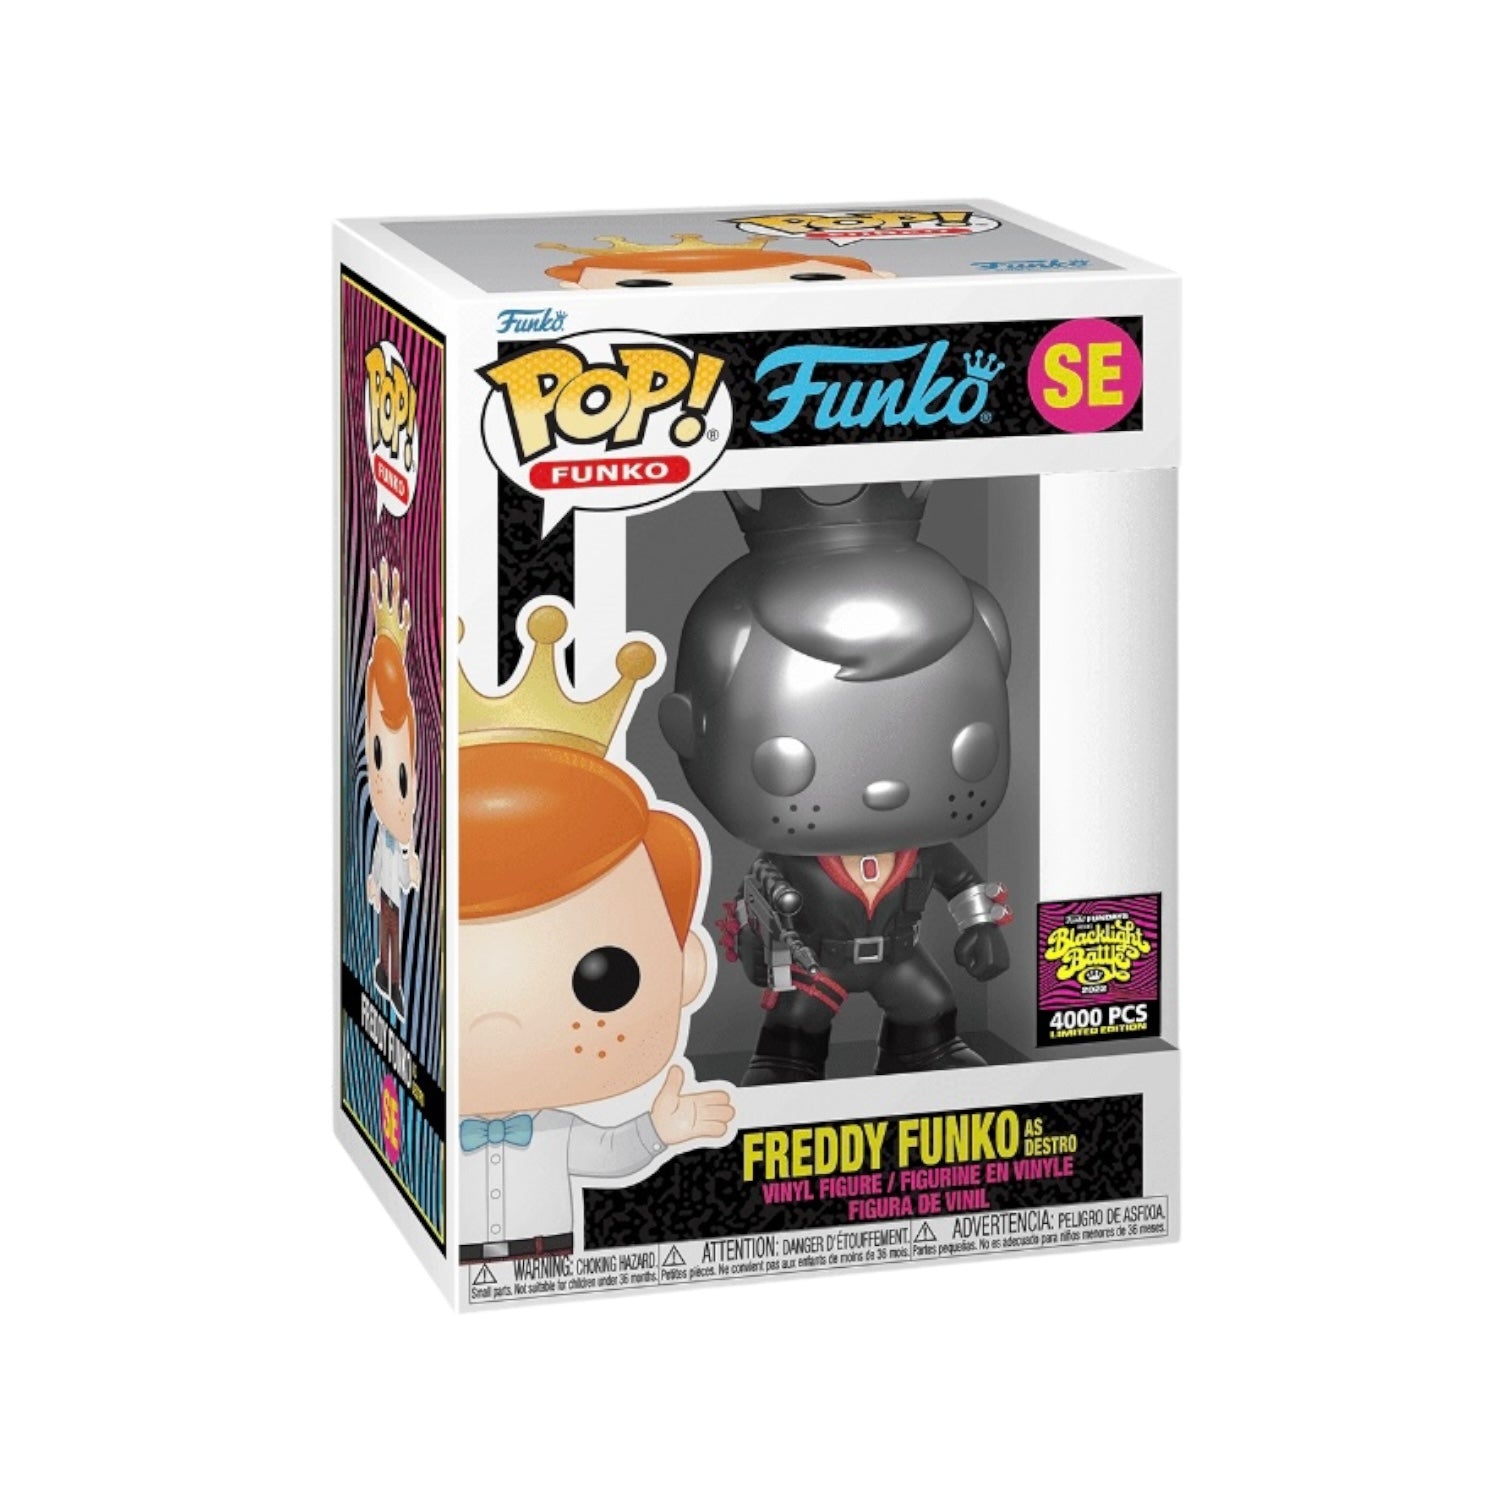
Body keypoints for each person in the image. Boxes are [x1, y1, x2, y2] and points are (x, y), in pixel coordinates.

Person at [458, 602, 734, 1263]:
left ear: (685, 966)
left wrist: (659, 1130)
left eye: (603, 979)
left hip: (549, 1257)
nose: (499, 1023)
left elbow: (611, 1153)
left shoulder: (558, 1130)